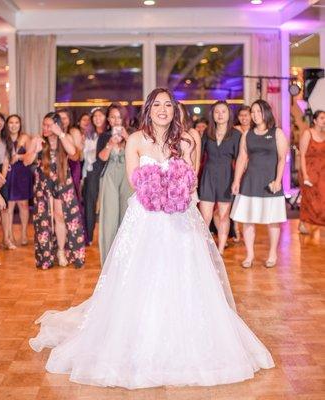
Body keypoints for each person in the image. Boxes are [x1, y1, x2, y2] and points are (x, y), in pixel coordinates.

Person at [29, 88, 274, 389]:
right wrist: (158, 190)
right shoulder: (135, 141)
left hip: (179, 218)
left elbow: (189, 177)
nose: (162, 109)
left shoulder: (184, 140)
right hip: (145, 219)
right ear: (148, 110)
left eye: (168, 105)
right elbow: (135, 181)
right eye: (156, 104)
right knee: (141, 278)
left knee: (185, 278)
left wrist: (176, 187)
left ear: (174, 110)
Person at [231, 100, 288, 268]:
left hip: (271, 183)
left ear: (266, 112)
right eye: (252, 112)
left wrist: (278, 180)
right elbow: (242, 158)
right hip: (250, 182)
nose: (254, 115)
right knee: (248, 220)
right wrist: (236, 180)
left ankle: (272, 254)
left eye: (258, 111)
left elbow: (282, 159)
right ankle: (249, 255)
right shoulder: (247, 134)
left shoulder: (276, 132)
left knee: (273, 220)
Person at [24, 112, 85, 269]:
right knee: (45, 219)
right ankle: (46, 254)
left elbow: (74, 155)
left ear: (57, 125)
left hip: (61, 182)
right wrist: (34, 150)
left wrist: (61, 135)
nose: (45, 128)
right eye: (44, 125)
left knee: (60, 217)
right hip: (43, 184)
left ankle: (60, 251)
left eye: (49, 125)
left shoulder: (65, 138)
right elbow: (26, 161)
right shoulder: (37, 140)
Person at [199, 101, 241, 255]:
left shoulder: (236, 135)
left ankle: (221, 249)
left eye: (223, 111)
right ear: (213, 114)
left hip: (227, 177)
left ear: (229, 114)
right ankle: (204, 249)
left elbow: (241, 159)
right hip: (208, 176)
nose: (220, 115)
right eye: (217, 112)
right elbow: (199, 156)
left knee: (223, 215)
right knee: (205, 216)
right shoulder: (207, 133)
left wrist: (237, 181)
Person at [98, 103, 133, 263]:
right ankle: (109, 260)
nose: (115, 120)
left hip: (128, 177)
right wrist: (110, 144)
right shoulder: (104, 136)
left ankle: (127, 258)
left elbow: (141, 155)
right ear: (108, 119)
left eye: (119, 116)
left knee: (127, 215)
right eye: (112, 116)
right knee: (109, 217)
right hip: (110, 177)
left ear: (124, 118)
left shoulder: (133, 135)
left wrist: (127, 137)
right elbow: (102, 158)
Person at [5, 114, 33, 246]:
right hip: (8, 173)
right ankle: (9, 234)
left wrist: (19, 157)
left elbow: (30, 155)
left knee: (23, 205)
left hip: (22, 172)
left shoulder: (25, 137)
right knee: (8, 206)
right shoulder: (3, 138)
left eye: (16, 122)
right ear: (7, 124)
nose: (14, 125)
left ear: (20, 124)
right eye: (11, 122)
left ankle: (23, 233)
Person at [299, 110, 325, 243]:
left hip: (322, 172)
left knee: (322, 199)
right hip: (309, 170)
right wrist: (305, 175)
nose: (324, 120)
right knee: (308, 198)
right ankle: (303, 222)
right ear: (314, 120)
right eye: (321, 118)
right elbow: (302, 154)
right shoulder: (307, 133)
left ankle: (321, 222)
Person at [82, 107, 107, 244]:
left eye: (100, 116)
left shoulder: (110, 133)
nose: (97, 119)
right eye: (95, 116)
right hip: (92, 170)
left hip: (107, 170)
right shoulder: (88, 134)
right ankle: (89, 236)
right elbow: (86, 155)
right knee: (89, 203)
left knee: (106, 204)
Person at [0, 111, 15, 249]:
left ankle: (6, 239)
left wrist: (2, 179)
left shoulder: (6, 139)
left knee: (4, 208)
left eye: (1, 120)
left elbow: (7, 161)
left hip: (2, 172)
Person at [233, 105, 252, 242]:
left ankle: (247, 230)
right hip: (236, 165)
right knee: (235, 199)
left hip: (251, 167)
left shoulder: (255, 131)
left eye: (246, 115)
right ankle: (235, 230)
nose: (244, 118)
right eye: (241, 115)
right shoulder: (234, 130)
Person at [57, 108, 83, 203]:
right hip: (57, 166)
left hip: (72, 166)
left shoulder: (73, 132)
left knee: (72, 195)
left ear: (69, 119)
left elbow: (77, 155)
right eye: (60, 118)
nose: (62, 121)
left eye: (65, 118)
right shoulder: (53, 133)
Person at [178, 102, 201, 175]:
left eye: (179, 113)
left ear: (184, 114)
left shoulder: (192, 133)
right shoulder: (167, 133)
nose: (176, 116)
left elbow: (197, 161)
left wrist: (194, 179)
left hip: (188, 175)